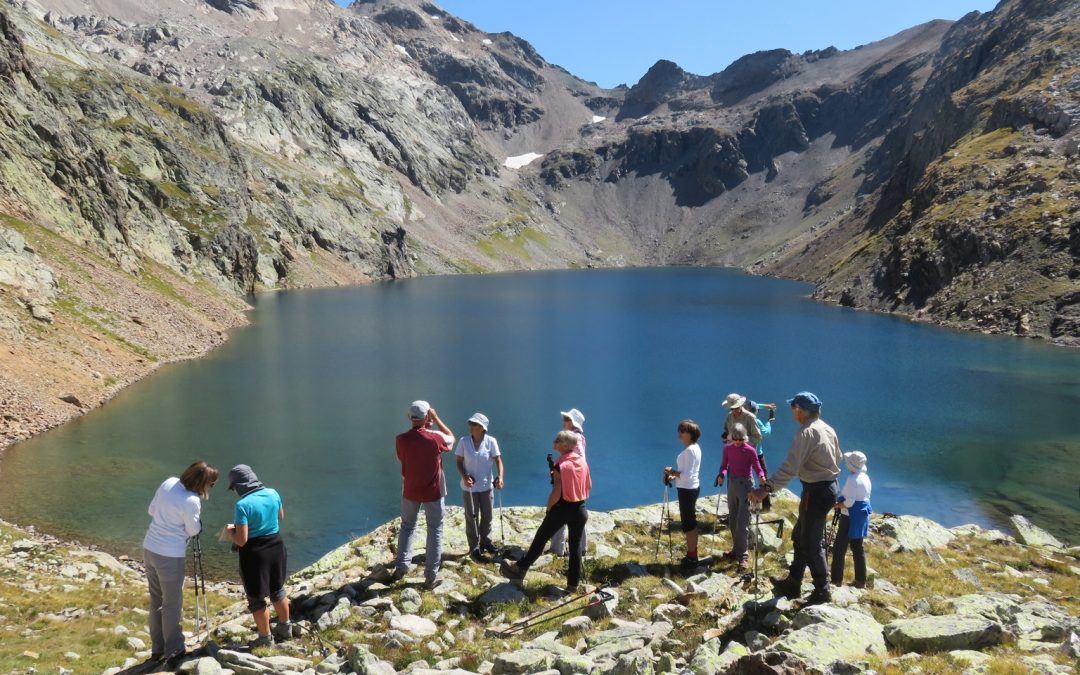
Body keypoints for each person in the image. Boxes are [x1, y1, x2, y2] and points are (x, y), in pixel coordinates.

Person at [750, 392, 842, 605]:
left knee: (811, 541)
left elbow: (791, 467)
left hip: (815, 490)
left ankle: (822, 590)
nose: (792, 410)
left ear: (799, 410)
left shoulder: (807, 433)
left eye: (793, 407)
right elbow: (839, 457)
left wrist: (766, 489)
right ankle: (794, 581)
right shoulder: (828, 428)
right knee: (801, 535)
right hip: (829, 487)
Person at [142, 461, 218, 667]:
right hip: (170, 556)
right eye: (211, 484)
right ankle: (174, 650)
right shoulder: (192, 500)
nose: (210, 488)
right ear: (202, 483)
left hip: (149, 548)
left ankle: (157, 649)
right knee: (172, 604)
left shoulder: (169, 482)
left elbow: (151, 510)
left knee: (156, 600)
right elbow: (193, 530)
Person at [506, 430, 592, 591]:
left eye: (557, 440)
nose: (554, 441)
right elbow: (589, 485)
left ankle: (520, 567)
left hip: (562, 508)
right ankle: (573, 585)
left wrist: (549, 507)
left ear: (565, 445)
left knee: (541, 538)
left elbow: (556, 492)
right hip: (581, 509)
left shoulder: (561, 465)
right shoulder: (582, 462)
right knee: (575, 548)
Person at [225, 464, 291, 648]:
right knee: (277, 590)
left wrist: (230, 532)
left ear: (239, 485)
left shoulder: (242, 505)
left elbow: (242, 540)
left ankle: (265, 639)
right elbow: (281, 517)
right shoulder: (272, 493)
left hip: (255, 555)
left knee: (256, 597)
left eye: (233, 487)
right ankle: (285, 628)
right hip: (277, 547)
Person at [393, 400, 454, 588]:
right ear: (427, 417)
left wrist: (427, 420)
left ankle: (402, 566)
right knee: (435, 529)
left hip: (410, 490)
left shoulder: (400, 439)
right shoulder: (435, 438)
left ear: (410, 418)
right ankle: (430, 574)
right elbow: (451, 438)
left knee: (407, 527)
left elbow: (401, 458)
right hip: (433, 492)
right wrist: (436, 418)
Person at [455, 412, 505, 561]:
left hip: (486, 486)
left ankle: (486, 542)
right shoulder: (464, 441)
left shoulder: (491, 442)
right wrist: (464, 476)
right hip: (469, 487)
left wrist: (500, 478)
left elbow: (498, 461)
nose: (471, 426)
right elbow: (458, 462)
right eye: (471, 423)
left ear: (482, 428)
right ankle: (474, 546)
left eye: (474, 424)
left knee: (487, 516)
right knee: (471, 517)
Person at [716, 423, 766, 570]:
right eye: (735, 439)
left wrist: (762, 476)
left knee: (743, 523)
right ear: (731, 437)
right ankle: (735, 550)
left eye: (740, 439)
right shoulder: (727, 449)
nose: (737, 442)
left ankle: (743, 557)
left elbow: (757, 466)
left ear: (744, 438)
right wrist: (721, 475)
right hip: (732, 484)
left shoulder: (750, 450)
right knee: (732, 520)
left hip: (746, 486)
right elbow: (724, 465)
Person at [548, 408, 587, 556]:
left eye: (567, 419)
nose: (564, 421)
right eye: (564, 418)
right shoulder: (580, 438)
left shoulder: (575, 439)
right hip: (577, 483)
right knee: (578, 512)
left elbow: (579, 460)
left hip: (568, 482)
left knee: (559, 511)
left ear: (573, 423)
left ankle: (557, 548)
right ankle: (581, 547)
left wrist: (561, 471)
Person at [665, 419, 703, 568]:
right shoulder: (695, 448)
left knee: (689, 523)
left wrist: (671, 472)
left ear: (691, 434)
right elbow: (688, 473)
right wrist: (674, 476)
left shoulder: (689, 451)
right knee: (689, 521)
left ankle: (692, 556)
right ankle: (691, 553)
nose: (680, 433)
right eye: (679, 430)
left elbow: (686, 475)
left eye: (683, 431)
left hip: (687, 489)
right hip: (689, 487)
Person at [831, 451, 872, 588]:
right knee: (857, 547)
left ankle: (836, 580)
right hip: (861, 516)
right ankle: (861, 580)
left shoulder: (852, 479)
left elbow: (849, 503)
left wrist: (837, 505)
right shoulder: (865, 477)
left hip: (849, 516)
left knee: (839, 548)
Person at [745, 400, 777, 510]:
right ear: (755, 412)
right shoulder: (756, 421)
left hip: (744, 453)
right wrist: (769, 421)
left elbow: (755, 406)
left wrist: (765, 406)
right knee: (763, 477)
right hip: (757, 453)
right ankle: (766, 504)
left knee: (747, 476)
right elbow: (766, 433)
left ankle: (746, 503)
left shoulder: (742, 418)